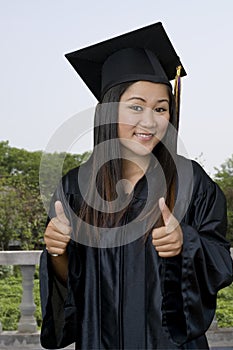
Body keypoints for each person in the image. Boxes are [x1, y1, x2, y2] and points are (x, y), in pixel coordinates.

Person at [39, 22, 233, 349]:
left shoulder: (191, 181)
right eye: (136, 106)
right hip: (101, 341)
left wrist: (186, 242)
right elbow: (71, 286)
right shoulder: (76, 186)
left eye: (160, 108)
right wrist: (57, 252)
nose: (149, 121)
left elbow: (220, 261)